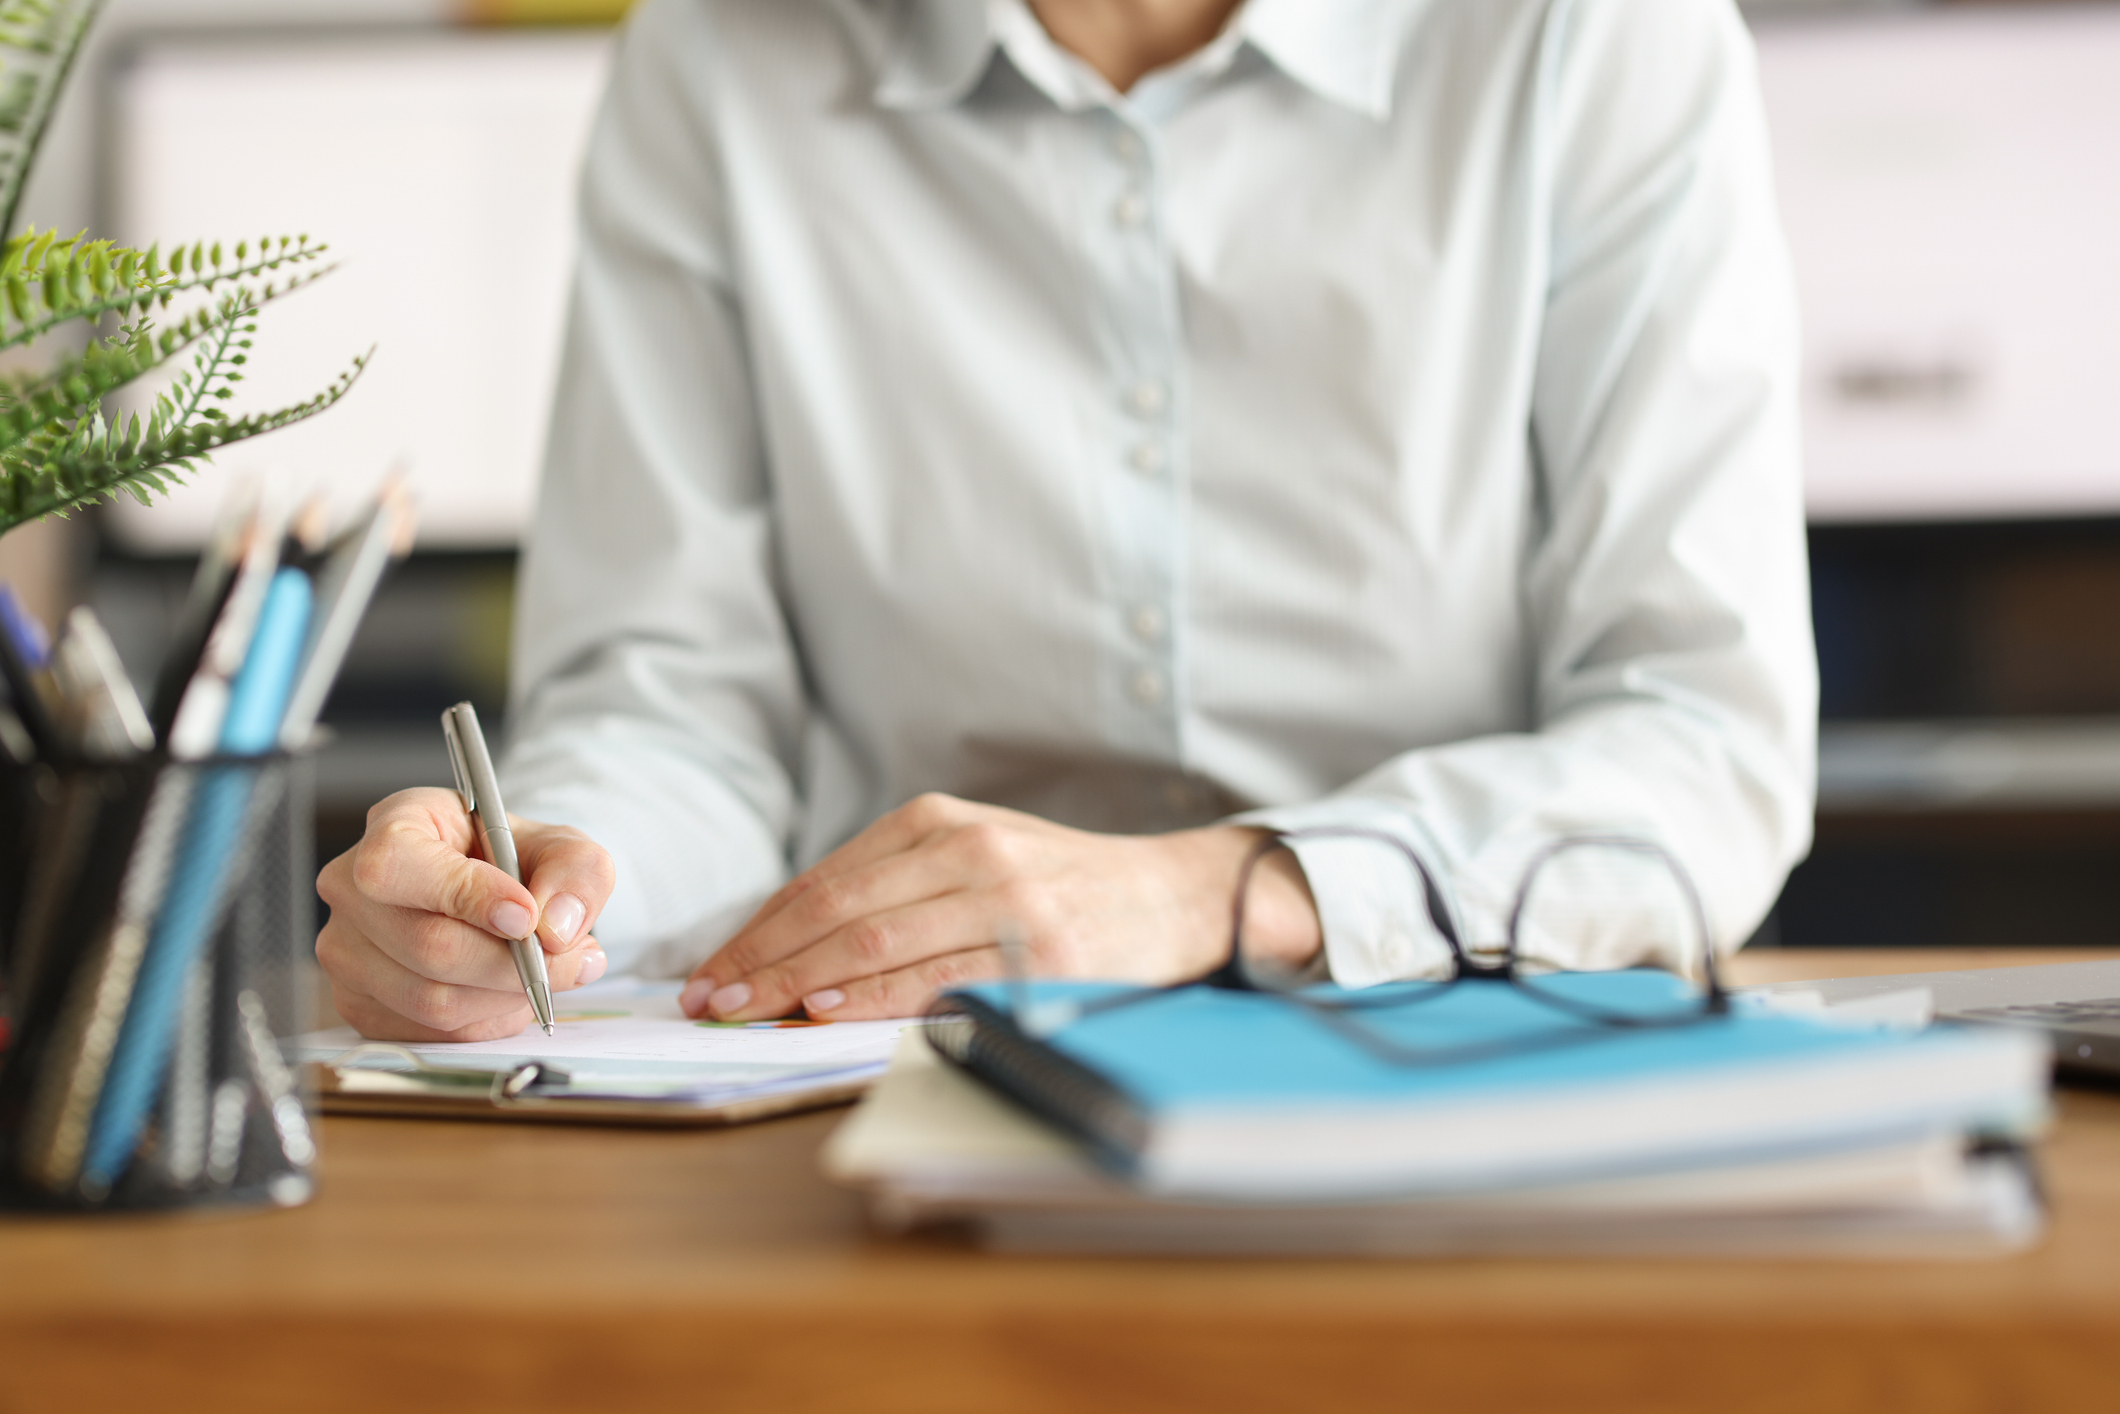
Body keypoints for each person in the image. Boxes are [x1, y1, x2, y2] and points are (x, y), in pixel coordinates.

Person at [316, 0, 1815, 1043]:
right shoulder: (717, 56)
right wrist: (548, 888)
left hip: (1462, 1048)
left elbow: (1703, 739)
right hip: (897, 1064)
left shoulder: (1599, 32)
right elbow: (673, 705)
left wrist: (1217, 888)